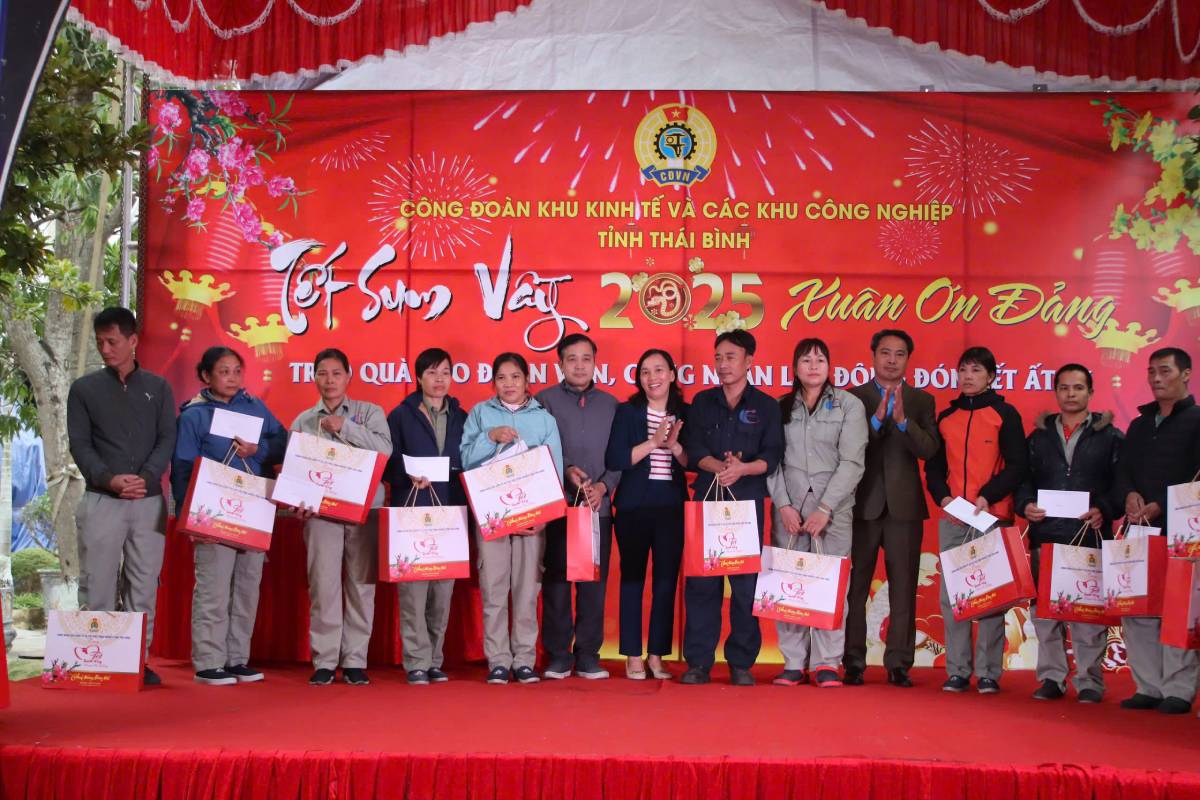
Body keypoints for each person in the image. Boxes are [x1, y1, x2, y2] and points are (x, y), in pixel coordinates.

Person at [67, 307, 176, 686]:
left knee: (142, 587)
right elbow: (80, 445)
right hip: (101, 499)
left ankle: (135, 663)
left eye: (112, 341)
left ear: (133, 341)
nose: (105, 349)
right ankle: (94, 661)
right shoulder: (84, 390)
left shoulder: (158, 388)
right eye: (100, 342)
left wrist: (145, 478)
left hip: (149, 502)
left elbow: (167, 439)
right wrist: (109, 479)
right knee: (96, 584)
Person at [170, 346, 287, 686]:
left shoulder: (255, 406)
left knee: (247, 586)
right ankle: (209, 661)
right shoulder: (194, 415)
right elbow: (181, 466)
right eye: (224, 371)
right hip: (213, 509)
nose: (232, 378)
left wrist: (258, 449)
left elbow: (283, 443)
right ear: (206, 376)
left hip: (253, 509)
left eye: (237, 370)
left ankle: (237, 659)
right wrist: (187, 515)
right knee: (214, 587)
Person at [1014, 363, 1122, 703]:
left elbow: (1123, 484)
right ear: (1056, 392)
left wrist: (1104, 508)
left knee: (1088, 616)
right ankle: (1051, 678)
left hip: (1089, 535)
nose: (1070, 393)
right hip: (1046, 535)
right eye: (1064, 387)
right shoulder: (1039, 437)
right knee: (1045, 616)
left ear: (1091, 392)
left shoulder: (1110, 437)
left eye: (1078, 387)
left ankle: (1089, 682)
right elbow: (1023, 480)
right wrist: (1026, 504)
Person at [682, 330, 783, 686]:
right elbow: (693, 449)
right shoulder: (702, 401)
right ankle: (698, 662)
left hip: (746, 505)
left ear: (749, 361)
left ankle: (741, 663)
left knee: (745, 587)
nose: (723, 364)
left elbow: (772, 455)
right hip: (708, 502)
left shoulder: (766, 406)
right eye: (718, 358)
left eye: (730, 357)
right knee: (702, 585)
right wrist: (717, 466)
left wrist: (742, 469)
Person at [924, 346, 1027, 694]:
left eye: (976, 371)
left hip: (990, 516)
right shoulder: (947, 417)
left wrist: (988, 495)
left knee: (990, 596)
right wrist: (944, 498)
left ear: (991, 377)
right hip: (954, 518)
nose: (968, 376)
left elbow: (1018, 465)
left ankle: (988, 673)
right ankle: (957, 670)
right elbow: (934, 468)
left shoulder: (1004, 414)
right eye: (963, 370)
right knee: (952, 596)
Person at [768, 338, 867, 688]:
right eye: (806, 360)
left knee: (831, 586)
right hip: (789, 511)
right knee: (788, 583)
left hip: (833, 511)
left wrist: (825, 508)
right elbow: (771, 460)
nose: (813, 366)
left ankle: (827, 663)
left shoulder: (848, 405)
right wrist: (783, 504)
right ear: (795, 367)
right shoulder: (780, 407)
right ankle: (794, 663)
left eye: (820, 360)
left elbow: (852, 462)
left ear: (829, 367)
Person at [844, 329, 939, 688]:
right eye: (885, 353)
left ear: (908, 360)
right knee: (856, 588)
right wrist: (875, 421)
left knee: (903, 589)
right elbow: (848, 449)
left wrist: (902, 422)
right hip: (861, 506)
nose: (892, 360)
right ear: (873, 356)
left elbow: (930, 450)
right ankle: (853, 661)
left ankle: (899, 663)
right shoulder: (853, 398)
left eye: (900, 354)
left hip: (905, 508)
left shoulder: (921, 400)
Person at [461, 352, 564, 685]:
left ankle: (524, 659)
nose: (509, 384)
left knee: (526, 589)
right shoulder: (480, 414)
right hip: (491, 515)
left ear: (527, 380)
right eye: (502, 378)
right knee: (494, 588)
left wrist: (545, 517)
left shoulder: (544, 419)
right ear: (493, 382)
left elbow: (555, 470)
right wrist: (489, 437)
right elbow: (465, 458)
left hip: (531, 517)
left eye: (515, 377)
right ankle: (498, 661)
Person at [291, 348, 392, 687]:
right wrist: (297, 501)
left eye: (336, 373)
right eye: (322, 373)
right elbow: (295, 469)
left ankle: (354, 661)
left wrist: (346, 428)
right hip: (320, 514)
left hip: (364, 511)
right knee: (324, 586)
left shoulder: (370, 413)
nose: (329, 380)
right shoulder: (303, 421)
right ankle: (324, 660)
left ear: (349, 376)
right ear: (314, 377)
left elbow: (385, 451)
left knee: (361, 586)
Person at [1113, 346, 1200, 715]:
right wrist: (1128, 494)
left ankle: (1178, 688)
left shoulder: (1197, 420)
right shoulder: (1139, 424)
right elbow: (1122, 470)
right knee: (1137, 608)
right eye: (1151, 372)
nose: (1156, 379)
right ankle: (1147, 685)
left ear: (1186, 374)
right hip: (1138, 529)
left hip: (1182, 532)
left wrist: (1162, 503)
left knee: (1178, 610)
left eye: (1165, 371)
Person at [537, 333, 620, 680]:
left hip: (598, 508)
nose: (580, 366)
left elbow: (620, 455)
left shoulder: (612, 405)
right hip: (559, 507)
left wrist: (604, 486)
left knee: (593, 584)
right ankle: (558, 655)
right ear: (560, 364)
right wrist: (566, 469)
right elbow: (538, 447)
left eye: (586, 358)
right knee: (556, 582)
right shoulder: (544, 401)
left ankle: (587, 655)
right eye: (571, 359)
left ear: (595, 363)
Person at [384, 348, 468, 685]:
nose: (439, 379)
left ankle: (434, 659)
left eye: (445, 372)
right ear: (418, 377)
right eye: (432, 372)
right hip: (413, 511)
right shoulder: (400, 415)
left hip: (450, 512)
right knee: (414, 593)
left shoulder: (462, 416)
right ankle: (416, 661)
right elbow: (387, 462)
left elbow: (469, 458)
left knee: (442, 592)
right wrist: (407, 475)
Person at [606, 348, 688, 680]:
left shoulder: (685, 413)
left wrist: (675, 446)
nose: (652, 377)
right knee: (632, 579)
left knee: (666, 581)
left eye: (659, 370)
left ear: (672, 374)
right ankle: (632, 654)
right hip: (634, 506)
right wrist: (653, 443)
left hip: (672, 505)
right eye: (645, 372)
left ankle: (656, 655)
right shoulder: (627, 412)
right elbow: (615, 459)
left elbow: (693, 461)